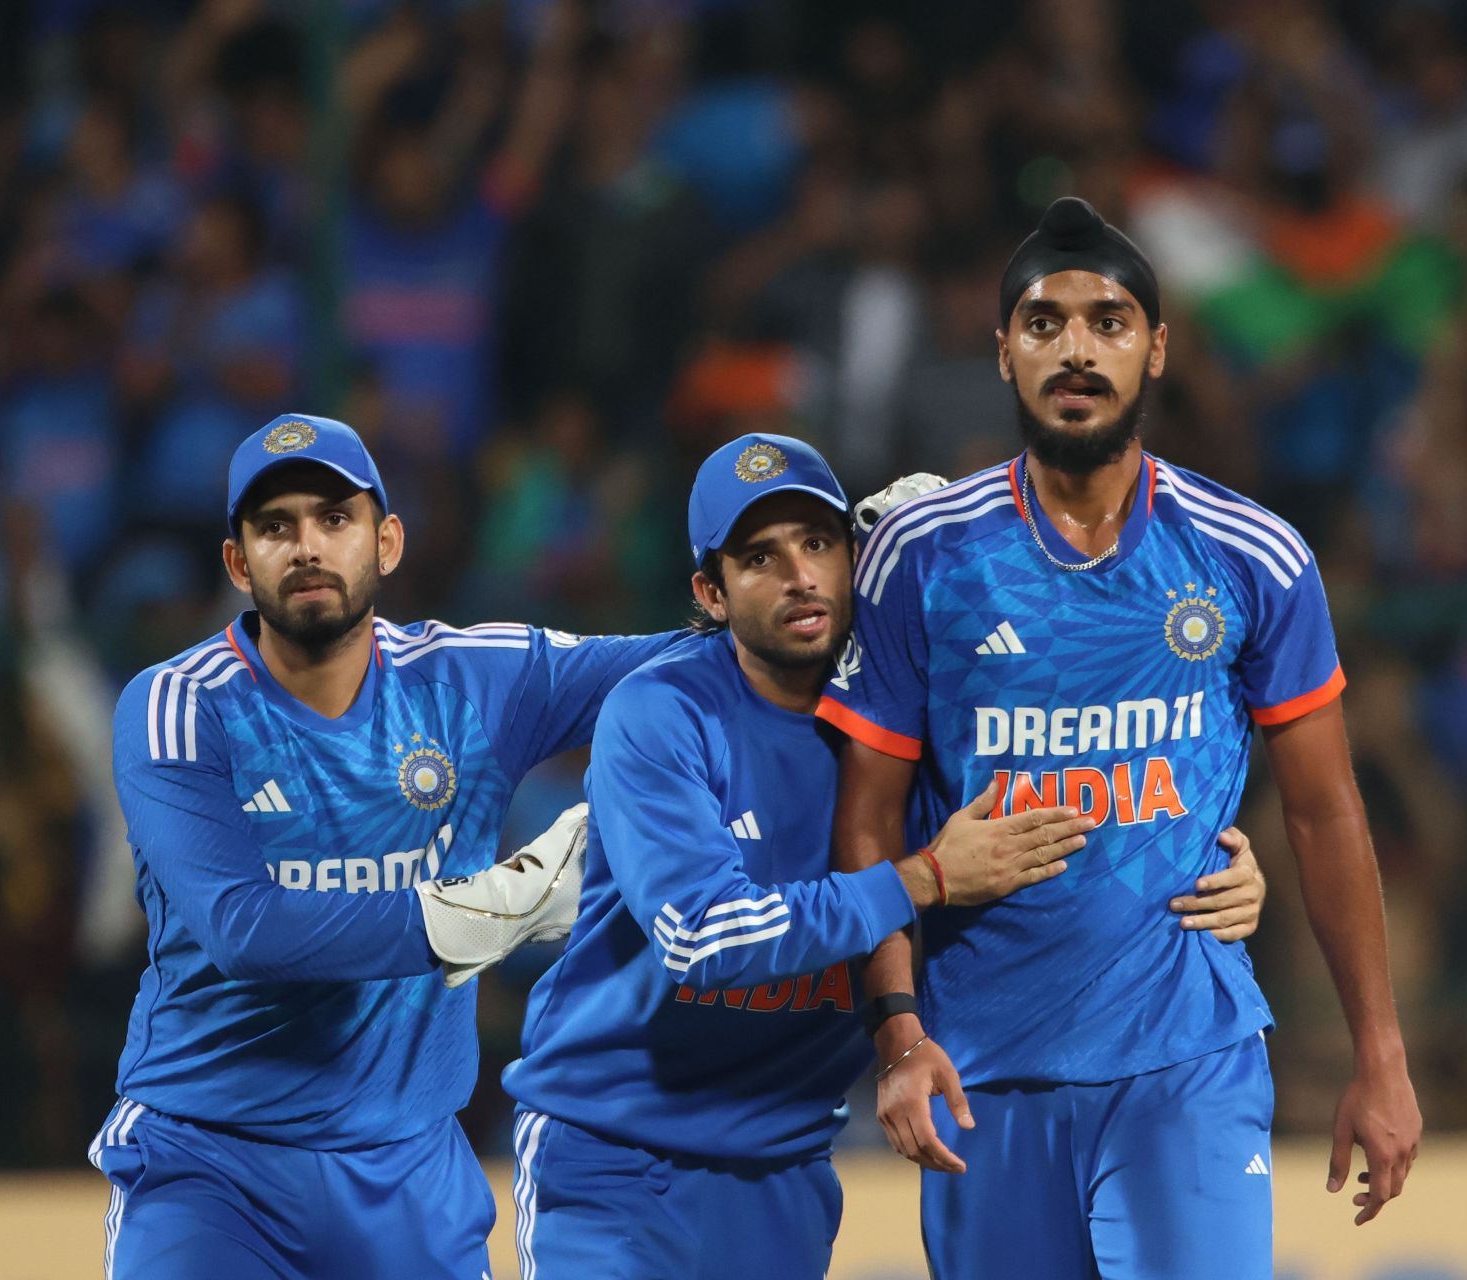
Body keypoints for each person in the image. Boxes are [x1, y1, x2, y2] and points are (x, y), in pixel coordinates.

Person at [500, 433, 1269, 1280]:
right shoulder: (664, 710)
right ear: (710, 593)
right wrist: (924, 877)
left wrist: (1207, 870)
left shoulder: (916, 725)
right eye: (760, 557)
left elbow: (1075, 823)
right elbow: (702, 941)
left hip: (784, 1167)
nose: (799, 576)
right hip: (616, 1157)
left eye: (819, 544)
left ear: (857, 558)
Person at [821, 199, 1423, 1279]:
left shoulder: (1251, 554)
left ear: (1157, 348)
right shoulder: (923, 552)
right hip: (983, 1070)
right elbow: (864, 817)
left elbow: (1327, 808)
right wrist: (899, 1038)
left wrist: (1381, 1054)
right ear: (1003, 352)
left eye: (1108, 320)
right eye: (1044, 323)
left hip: (1186, 1061)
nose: (1077, 347)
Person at [93, 413, 680, 1280]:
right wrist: (492, 910)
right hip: (212, 1170)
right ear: (237, 562)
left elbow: (697, 664)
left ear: (388, 541)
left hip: (412, 1177)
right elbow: (243, 930)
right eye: (275, 526)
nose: (306, 546)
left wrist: (871, 576)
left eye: (334, 519)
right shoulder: (179, 706)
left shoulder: (475, 680)